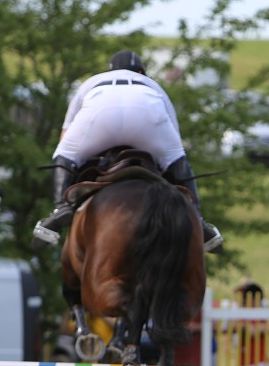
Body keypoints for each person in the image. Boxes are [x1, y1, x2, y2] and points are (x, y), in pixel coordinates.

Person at [33, 49, 222, 253]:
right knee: (177, 159)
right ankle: (198, 222)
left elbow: (65, 135)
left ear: (110, 70)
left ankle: (59, 209)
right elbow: (176, 142)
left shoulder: (92, 82)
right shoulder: (153, 85)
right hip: (146, 115)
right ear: (141, 71)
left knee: (66, 154)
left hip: (100, 116)